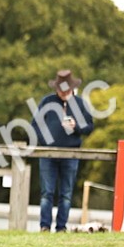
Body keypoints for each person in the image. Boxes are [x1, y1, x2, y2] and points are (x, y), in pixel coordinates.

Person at [35, 69, 95, 232]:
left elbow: (89, 128)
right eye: (60, 90)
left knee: (66, 193)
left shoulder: (80, 104)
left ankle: (61, 227)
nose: (63, 93)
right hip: (48, 153)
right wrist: (45, 142)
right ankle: (44, 226)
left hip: (71, 153)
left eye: (66, 90)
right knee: (47, 192)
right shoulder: (47, 101)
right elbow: (36, 124)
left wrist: (77, 127)